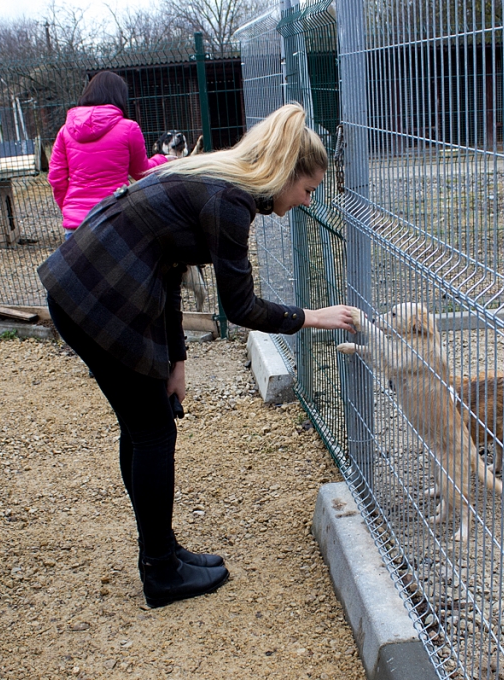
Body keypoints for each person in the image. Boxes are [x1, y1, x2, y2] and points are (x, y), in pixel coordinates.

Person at [38, 102, 357, 609]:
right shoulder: (229, 200)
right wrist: (312, 317)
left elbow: (167, 266)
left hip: (92, 285)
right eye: (308, 189)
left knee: (144, 425)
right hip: (95, 294)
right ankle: (161, 572)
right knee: (152, 430)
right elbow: (241, 307)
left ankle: (162, 554)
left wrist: (176, 360)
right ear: (284, 172)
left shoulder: (221, 179)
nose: (305, 200)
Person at [48, 70, 169, 239]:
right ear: (119, 97)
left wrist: (70, 208)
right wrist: (164, 160)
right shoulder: (129, 128)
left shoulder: (65, 131)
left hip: (77, 226)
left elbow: (56, 178)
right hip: (115, 218)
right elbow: (141, 172)